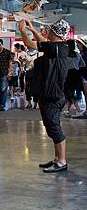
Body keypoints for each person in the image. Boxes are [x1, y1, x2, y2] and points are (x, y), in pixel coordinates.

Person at [19, 19, 73, 173]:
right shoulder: (58, 47)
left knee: (54, 128)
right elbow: (44, 42)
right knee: (51, 128)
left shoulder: (57, 48)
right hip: (49, 94)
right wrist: (33, 29)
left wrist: (23, 30)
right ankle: (57, 159)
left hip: (52, 96)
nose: (47, 32)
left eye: (50, 30)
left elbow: (30, 44)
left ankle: (62, 161)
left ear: (56, 33)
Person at [0, 38, 13, 111]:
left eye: (0, 44)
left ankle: (2, 104)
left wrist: (9, 72)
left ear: (2, 44)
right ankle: (1, 102)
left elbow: (10, 62)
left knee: (3, 89)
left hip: (4, 73)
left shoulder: (7, 52)